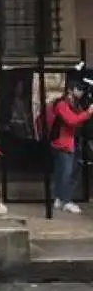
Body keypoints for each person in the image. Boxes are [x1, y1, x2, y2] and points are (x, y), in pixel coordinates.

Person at [47, 80, 93, 214]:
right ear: (70, 90)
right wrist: (88, 113)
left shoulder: (74, 104)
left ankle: (60, 198)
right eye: (78, 88)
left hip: (71, 143)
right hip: (62, 144)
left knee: (67, 172)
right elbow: (72, 120)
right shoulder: (61, 104)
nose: (81, 92)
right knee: (66, 174)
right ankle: (65, 200)